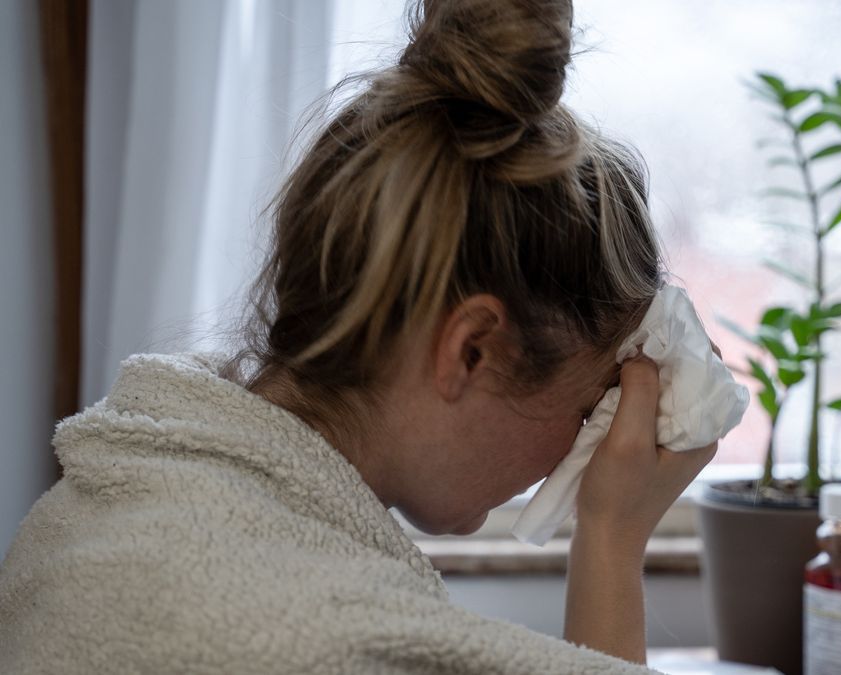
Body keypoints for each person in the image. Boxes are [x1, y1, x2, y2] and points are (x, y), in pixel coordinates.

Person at [0, 0, 720, 672]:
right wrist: (612, 539)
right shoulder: (322, 642)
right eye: (589, 411)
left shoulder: (97, 510)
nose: (580, 450)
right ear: (470, 351)